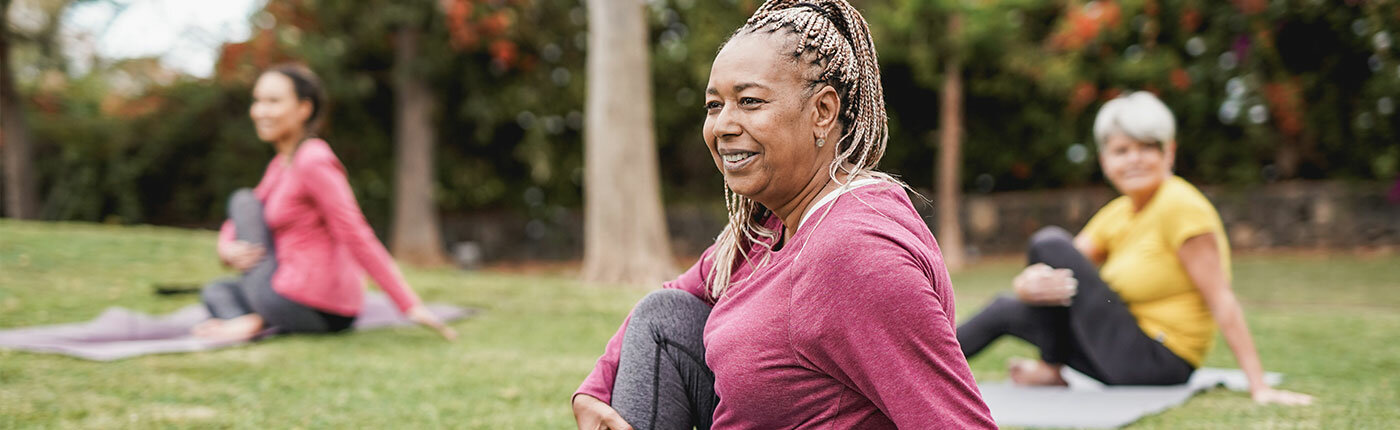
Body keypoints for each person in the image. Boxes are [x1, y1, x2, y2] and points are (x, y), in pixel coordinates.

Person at [571, 1, 995, 428]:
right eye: (714, 105)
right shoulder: (771, 225)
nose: (722, 126)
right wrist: (594, 389)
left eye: (750, 101)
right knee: (663, 316)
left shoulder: (856, 255)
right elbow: (680, 294)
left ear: (823, 112)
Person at [957, 92, 1313, 406]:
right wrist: (1027, 285)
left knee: (1047, 240)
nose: (1134, 160)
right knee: (1006, 307)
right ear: (1105, 159)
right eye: (1122, 150)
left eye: (1147, 147)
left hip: (1159, 359)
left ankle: (1050, 367)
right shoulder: (1119, 213)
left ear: (1169, 151)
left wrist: (1259, 386)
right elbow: (1061, 266)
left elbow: (1221, 298)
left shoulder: (1181, 206)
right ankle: (911, 374)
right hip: (1116, 350)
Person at [192, 64, 456, 342]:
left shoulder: (313, 160)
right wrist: (226, 248)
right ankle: (253, 320)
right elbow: (241, 218)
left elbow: (355, 232)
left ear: (304, 108)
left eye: (273, 101)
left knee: (242, 199)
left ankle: (254, 320)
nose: (260, 111)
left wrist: (409, 304)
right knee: (216, 291)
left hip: (309, 302)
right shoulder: (281, 165)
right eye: (257, 101)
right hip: (292, 297)